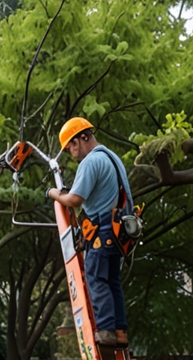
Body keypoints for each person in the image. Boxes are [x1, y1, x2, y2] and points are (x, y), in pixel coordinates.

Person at [46, 117, 131, 347]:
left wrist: (54, 193)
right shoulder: (113, 159)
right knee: (113, 281)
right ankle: (120, 332)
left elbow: (73, 200)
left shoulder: (92, 161)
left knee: (96, 278)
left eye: (71, 146)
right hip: (117, 231)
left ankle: (105, 331)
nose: (72, 154)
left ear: (82, 138)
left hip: (102, 232)